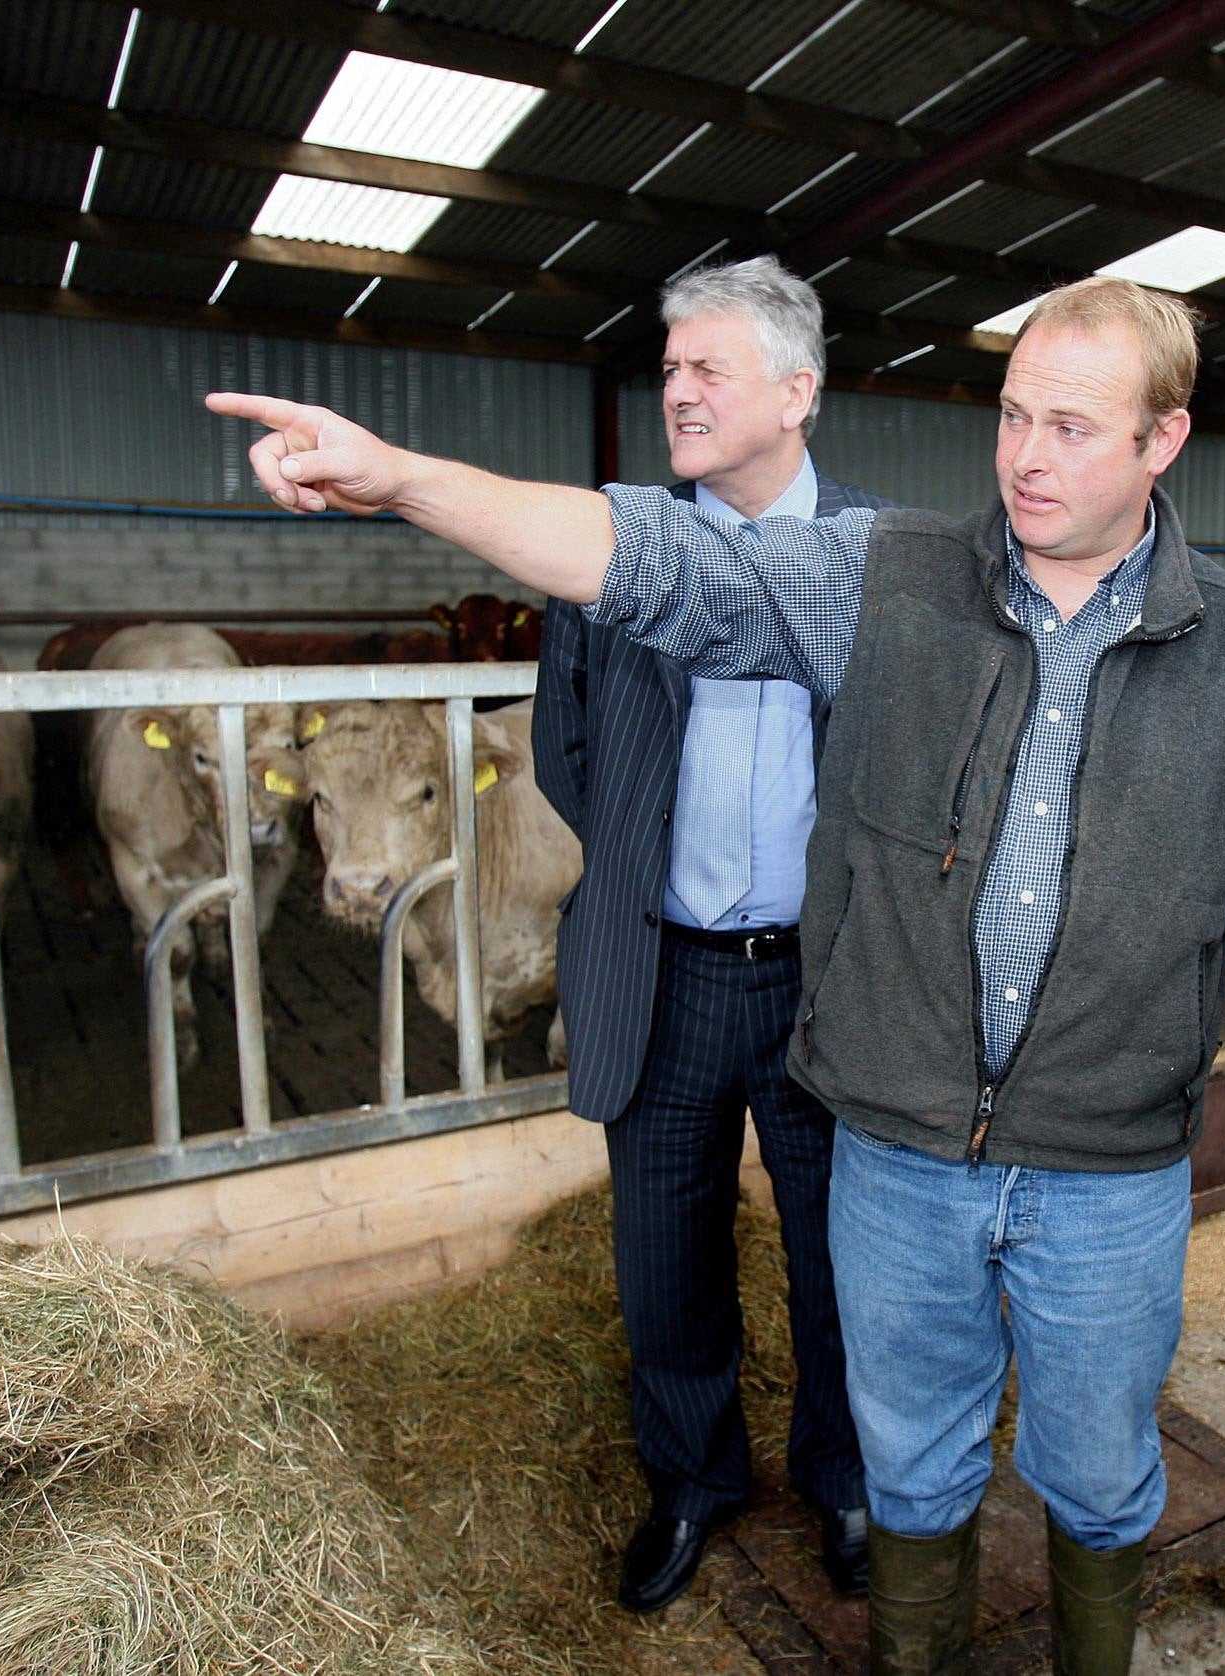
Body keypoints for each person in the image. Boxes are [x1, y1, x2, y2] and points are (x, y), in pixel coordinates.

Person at [209, 274, 1225, 1676]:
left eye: (1073, 426)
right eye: (1011, 417)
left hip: (1106, 1155)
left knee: (1099, 1469)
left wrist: (1110, 975)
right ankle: (810, 1549)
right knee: (903, 1449)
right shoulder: (886, 576)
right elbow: (654, 564)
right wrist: (404, 480)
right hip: (901, 1134)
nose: (1028, 456)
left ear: (1164, 441)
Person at [529, 256, 893, 1614]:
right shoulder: (615, 553)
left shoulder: (883, 556)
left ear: (797, 393)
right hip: (666, 970)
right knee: (664, 1254)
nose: (675, 389)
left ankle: (846, 1481)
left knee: (842, 1252)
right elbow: (566, 750)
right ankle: (692, 1485)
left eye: (706, 369)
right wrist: (638, 870)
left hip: (824, 980)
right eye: (669, 367)